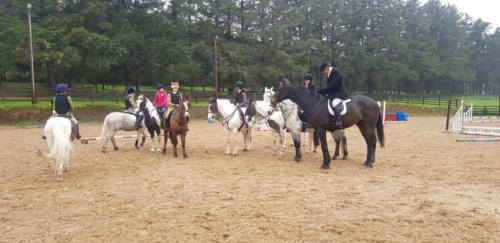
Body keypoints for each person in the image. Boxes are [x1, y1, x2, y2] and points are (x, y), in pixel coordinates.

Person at [317, 62, 349, 128]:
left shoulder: (335, 72)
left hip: (340, 93)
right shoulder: (330, 74)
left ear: (326, 68)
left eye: (323, 72)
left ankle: (339, 121)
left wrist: (321, 91)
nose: (324, 73)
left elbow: (332, 86)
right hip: (334, 94)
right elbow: (330, 87)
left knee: (334, 103)